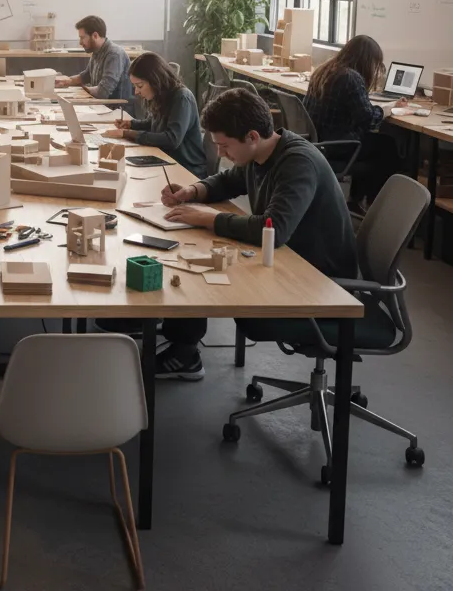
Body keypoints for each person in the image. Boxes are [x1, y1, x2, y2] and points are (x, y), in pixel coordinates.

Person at [154, 87, 357, 381]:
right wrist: (193, 191)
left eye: (224, 146)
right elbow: (228, 180)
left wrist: (209, 218)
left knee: (198, 259)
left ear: (251, 136)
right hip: (287, 260)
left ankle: (184, 352)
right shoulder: (261, 153)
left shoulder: (298, 163)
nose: (220, 153)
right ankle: (181, 344)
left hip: (318, 281)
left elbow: (273, 229)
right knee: (194, 250)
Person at [304, 34, 406, 204]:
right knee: (387, 148)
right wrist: (387, 109)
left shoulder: (325, 70)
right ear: (367, 61)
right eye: (376, 64)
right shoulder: (351, 78)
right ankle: (374, 205)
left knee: (372, 143)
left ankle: (357, 199)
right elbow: (368, 120)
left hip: (317, 142)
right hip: (335, 146)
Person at [107, 52, 207, 178]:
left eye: (140, 86)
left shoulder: (181, 98)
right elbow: (153, 123)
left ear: (155, 80)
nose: (136, 91)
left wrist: (127, 134)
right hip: (166, 159)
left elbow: (171, 139)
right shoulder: (161, 95)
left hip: (186, 168)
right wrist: (131, 124)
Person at [54, 15, 131, 102]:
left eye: (82, 38)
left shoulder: (114, 54)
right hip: (102, 107)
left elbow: (103, 92)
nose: (80, 42)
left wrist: (81, 90)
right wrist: (65, 81)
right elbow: (86, 76)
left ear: (95, 35)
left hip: (117, 110)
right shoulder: (96, 51)